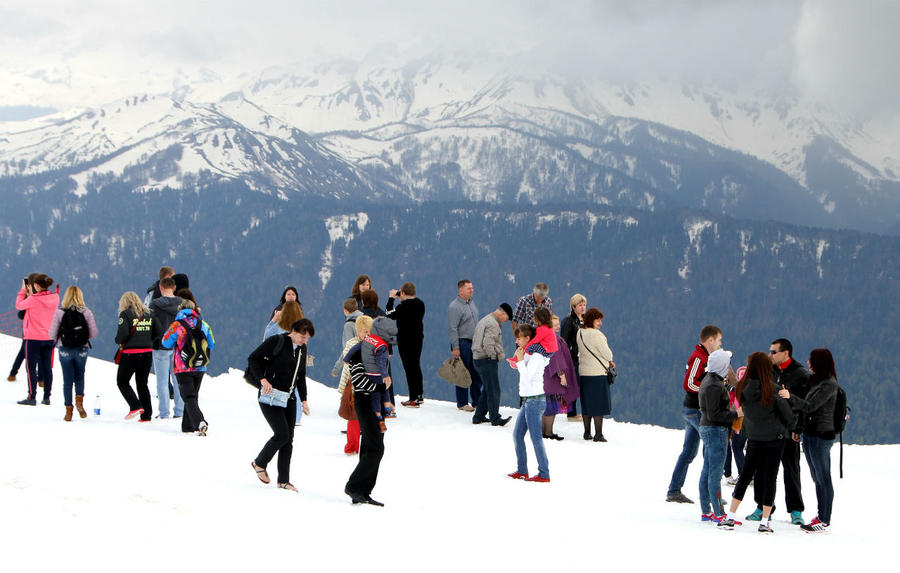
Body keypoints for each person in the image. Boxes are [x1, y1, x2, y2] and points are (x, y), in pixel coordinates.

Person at [718, 352, 793, 532]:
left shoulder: (743, 389)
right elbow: (788, 417)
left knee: (745, 476)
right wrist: (787, 398)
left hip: (753, 438)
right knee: (770, 478)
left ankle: (730, 516)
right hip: (775, 439)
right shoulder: (773, 390)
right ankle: (765, 521)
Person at [745, 338, 810, 525]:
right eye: (770, 351)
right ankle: (763, 507)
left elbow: (805, 404)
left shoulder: (800, 374)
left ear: (786, 353)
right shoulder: (767, 371)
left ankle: (796, 510)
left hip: (789, 430)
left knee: (791, 470)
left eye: (774, 352)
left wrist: (798, 428)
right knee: (763, 470)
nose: (770, 355)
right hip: (768, 430)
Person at [247, 319, 315, 492]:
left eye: (307, 338)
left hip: (289, 397)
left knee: (288, 438)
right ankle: (259, 462)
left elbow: (301, 375)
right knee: (282, 434)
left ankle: (283, 480)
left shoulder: (302, 349)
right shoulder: (276, 341)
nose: (304, 340)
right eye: (302, 336)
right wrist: (262, 379)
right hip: (270, 396)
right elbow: (253, 358)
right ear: (293, 331)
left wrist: (304, 399)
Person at [778, 348, 840, 533]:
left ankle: (825, 519)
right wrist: (799, 428)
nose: (808, 362)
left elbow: (810, 406)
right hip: (811, 434)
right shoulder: (818, 381)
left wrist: (790, 397)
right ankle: (821, 516)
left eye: (811, 360)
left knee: (823, 478)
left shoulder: (828, 384)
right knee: (817, 477)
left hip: (822, 435)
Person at [665, 325, 722, 503]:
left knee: (689, 451)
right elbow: (689, 384)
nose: (721, 344)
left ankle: (674, 490)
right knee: (712, 448)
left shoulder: (706, 357)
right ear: (710, 340)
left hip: (692, 410)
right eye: (719, 340)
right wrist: (710, 391)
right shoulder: (698, 357)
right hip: (696, 409)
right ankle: (711, 493)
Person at [343, 315, 389, 506]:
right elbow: (361, 383)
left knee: (371, 447)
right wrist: (382, 387)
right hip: (365, 401)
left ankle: (363, 490)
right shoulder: (357, 353)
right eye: (366, 332)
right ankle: (354, 486)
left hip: (376, 404)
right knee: (376, 447)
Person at [161, 299, 215, 435]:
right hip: (200, 367)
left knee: (188, 397)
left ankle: (199, 422)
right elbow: (212, 343)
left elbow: (165, 342)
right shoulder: (203, 324)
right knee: (193, 396)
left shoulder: (176, 325)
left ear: (180, 310)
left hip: (182, 367)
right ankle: (187, 427)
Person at [698, 349, 739, 523]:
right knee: (715, 473)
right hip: (716, 430)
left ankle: (706, 511)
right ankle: (719, 513)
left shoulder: (709, 379)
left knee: (707, 470)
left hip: (706, 427)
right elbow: (716, 414)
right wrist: (736, 414)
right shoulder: (715, 385)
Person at [506, 324, 551, 483]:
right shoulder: (528, 354)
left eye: (519, 338)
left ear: (527, 338)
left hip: (535, 399)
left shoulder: (537, 356)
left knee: (535, 438)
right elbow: (522, 371)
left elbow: (528, 376)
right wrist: (518, 360)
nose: (517, 341)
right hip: (528, 400)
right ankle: (522, 470)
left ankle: (544, 473)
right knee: (517, 435)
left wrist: (519, 361)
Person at [47, 286, 99, 420]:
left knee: (67, 380)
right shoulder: (87, 312)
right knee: (80, 377)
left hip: (65, 349)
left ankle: (68, 411)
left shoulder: (60, 313)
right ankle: (79, 403)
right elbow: (93, 333)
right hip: (82, 349)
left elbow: (52, 334)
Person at [15, 274, 59, 406]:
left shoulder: (33, 299)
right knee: (47, 367)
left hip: (33, 337)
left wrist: (24, 291)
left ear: (37, 285)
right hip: (49, 337)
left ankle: (31, 396)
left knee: (31, 367)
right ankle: (47, 397)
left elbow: (19, 305)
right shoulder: (55, 297)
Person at [471, 303, 513, 426]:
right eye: (507, 318)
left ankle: (478, 416)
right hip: (486, 360)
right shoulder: (493, 324)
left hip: (478, 358)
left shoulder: (486, 319)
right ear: (502, 313)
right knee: (494, 390)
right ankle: (495, 418)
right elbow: (488, 343)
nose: (506, 321)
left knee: (488, 389)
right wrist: (493, 357)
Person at [263, 301, 304, 425]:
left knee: (280, 387)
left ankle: (280, 413)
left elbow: (267, 338)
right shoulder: (300, 326)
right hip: (294, 362)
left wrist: (274, 319)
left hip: (279, 362)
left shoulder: (280, 325)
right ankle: (295, 417)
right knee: (294, 388)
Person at [115, 291, 154, 421]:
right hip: (147, 352)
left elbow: (123, 334)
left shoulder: (125, 314)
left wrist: (118, 340)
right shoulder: (149, 314)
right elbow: (158, 330)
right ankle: (146, 415)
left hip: (131, 353)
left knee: (122, 381)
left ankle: (135, 405)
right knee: (142, 383)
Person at [576, 308, 614, 442]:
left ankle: (587, 432)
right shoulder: (598, 335)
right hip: (597, 373)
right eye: (598, 320)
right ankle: (598, 434)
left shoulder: (580, 332)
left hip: (584, 373)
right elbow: (608, 354)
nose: (600, 323)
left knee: (587, 403)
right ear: (591, 320)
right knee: (599, 404)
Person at [386, 283, 426, 407]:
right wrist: (401, 296)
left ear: (403, 293)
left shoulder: (402, 308)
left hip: (405, 341)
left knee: (409, 369)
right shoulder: (420, 304)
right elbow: (410, 301)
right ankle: (419, 395)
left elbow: (388, 313)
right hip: (418, 340)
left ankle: (413, 398)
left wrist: (392, 298)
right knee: (416, 366)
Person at [149, 277, 183, 419]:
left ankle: (164, 412)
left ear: (161, 288)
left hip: (160, 345)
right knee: (178, 380)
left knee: (162, 381)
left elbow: (150, 323)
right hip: (178, 345)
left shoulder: (155, 304)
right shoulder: (182, 303)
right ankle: (179, 411)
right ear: (174, 287)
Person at [336, 316, 370, 455]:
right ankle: (352, 447)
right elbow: (348, 367)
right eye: (363, 331)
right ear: (358, 331)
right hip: (356, 385)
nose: (366, 334)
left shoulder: (373, 344)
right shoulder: (353, 344)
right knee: (354, 418)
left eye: (368, 331)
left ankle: (366, 448)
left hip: (369, 385)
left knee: (367, 419)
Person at [542, 314, 579, 439]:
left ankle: (544, 431)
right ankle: (549, 432)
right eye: (555, 324)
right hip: (553, 379)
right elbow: (556, 359)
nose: (558, 326)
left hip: (546, 377)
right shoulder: (552, 339)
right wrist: (562, 375)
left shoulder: (545, 338)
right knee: (551, 407)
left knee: (547, 406)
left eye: (558, 324)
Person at [447, 279, 481, 411]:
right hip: (462, 343)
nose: (472, 290)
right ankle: (462, 403)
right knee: (462, 373)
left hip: (474, 343)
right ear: (460, 290)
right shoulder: (454, 307)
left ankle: (477, 401)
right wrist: (455, 347)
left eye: (472, 288)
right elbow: (452, 328)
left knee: (476, 373)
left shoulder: (471, 303)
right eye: (468, 288)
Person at [560, 294, 586, 421]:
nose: (583, 307)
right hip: (572, 357)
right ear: (573, 307)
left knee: (580, 384)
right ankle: (571, 413)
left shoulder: (586, 320)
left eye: (584, 305)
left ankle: (577, 411)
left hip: (584, 357)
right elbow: (563, 341)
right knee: (572, 384)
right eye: (580, 305)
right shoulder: (568, 321)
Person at [331, 298, 363, 378]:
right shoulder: (365, 320)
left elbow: (348, 349)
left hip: (355, 363)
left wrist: (337, 367)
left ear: (345, 310)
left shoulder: (349, 325)